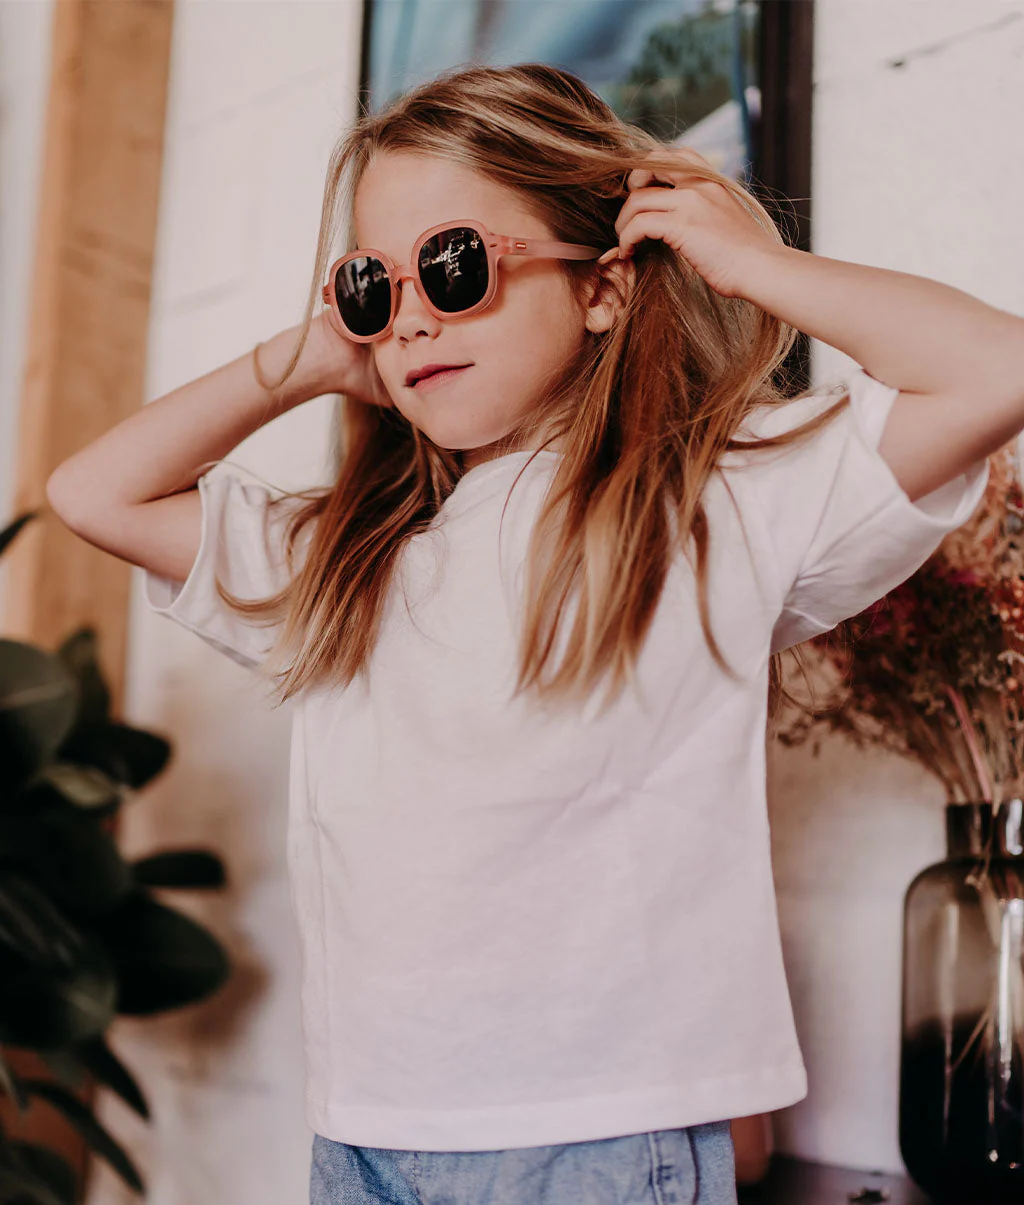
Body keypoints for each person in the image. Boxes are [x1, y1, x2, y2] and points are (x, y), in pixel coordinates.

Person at [46, 62, 1021, 1205]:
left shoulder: (704, 504)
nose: (411, 317)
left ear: (601, 288)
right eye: (373, 287)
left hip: (597, 1139)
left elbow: (995, 369)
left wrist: (753, 266)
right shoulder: (350, 561)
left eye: (453, 266)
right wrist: (313, 356)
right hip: (363, 1133)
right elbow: (92, 492)